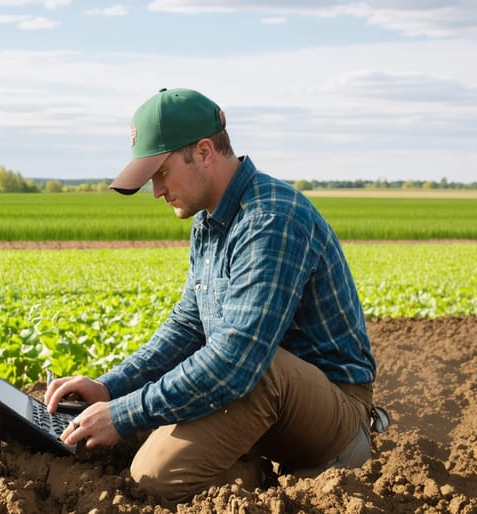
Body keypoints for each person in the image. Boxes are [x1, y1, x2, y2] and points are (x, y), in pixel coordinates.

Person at [44, 88, 378, 505]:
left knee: (153, 475)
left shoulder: (270, 221)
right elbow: (188, 326)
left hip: (332, 418)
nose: (157, 192)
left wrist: (126, 414)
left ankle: (259, 483)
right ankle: (243, 470)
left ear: (204, 152)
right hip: (259, 399)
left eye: (161, 173)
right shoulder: (209, 220)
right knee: (147, 423)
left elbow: (239, 360)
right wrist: (110, 389)